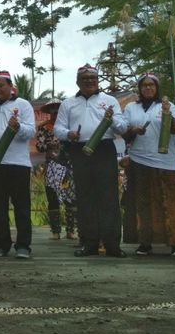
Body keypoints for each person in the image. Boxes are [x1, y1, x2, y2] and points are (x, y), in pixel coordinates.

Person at [54, 63, 128, 258]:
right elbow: (58, 129)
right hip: (79, 150)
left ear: (97, 81)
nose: (89, 82)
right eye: (84, 79)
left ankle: (112, 245)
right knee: (85, 198)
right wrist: (69, 133)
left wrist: (111, 120)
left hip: (104, 149)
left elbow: (122, 128)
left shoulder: (110, 100)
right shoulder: (68, 103)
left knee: (109, 197)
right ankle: (89, 244)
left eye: (92, 79)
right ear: (77, 82)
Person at [122, 72, 175, 257]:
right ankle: (145, 243)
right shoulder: (131, 107)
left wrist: (168, 114)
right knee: (142, 202)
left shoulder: (168, 105)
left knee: (171, 201)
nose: (148, 88)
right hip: (139, 159)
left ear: (157, 88)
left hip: (165, 161)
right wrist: (132, 130)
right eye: (144, 85)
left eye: (152, 85)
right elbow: (124, 131)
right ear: (140, 88)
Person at [0, 71, 35, 259]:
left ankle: (23, 246)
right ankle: (2, 244)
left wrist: (18, 127)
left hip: (18, 163)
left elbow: (31, 131)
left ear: (10, 86)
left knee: (21, 206)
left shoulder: (23, 105)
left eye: (0, 85)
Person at [36, 100, 77, 241]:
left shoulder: (69, 128)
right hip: (52, 167)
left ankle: (71, 231)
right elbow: (39, 146)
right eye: (52, 110)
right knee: (52, 198)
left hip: (67, 166)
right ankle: (55, 232)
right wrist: (49, 145)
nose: (55, 112)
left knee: (70, 198)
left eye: (58, 109)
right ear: (49, 112)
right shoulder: (43, 128)